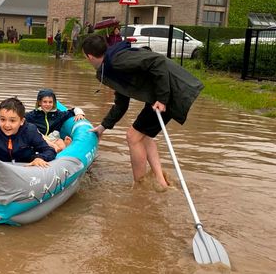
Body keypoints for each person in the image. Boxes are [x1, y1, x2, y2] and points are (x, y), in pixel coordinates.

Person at [81, 35, 204, 188]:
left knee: (133, 136)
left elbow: (157, 61)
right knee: (144, 136)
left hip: (170, 92)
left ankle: (140, 186)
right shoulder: (110, 65)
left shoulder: (118, 60)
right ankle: (161, 181)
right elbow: (121, 103)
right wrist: (103, 126)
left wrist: (162, 98)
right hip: (161, 93)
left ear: (89, 56)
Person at [0, 97, 56, 167]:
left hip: (23, 163)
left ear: (22, 121)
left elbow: (49, 150)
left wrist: (39, 158)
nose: (7, 125)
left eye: (12, 120)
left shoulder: (30, 131)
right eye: (2, 119)